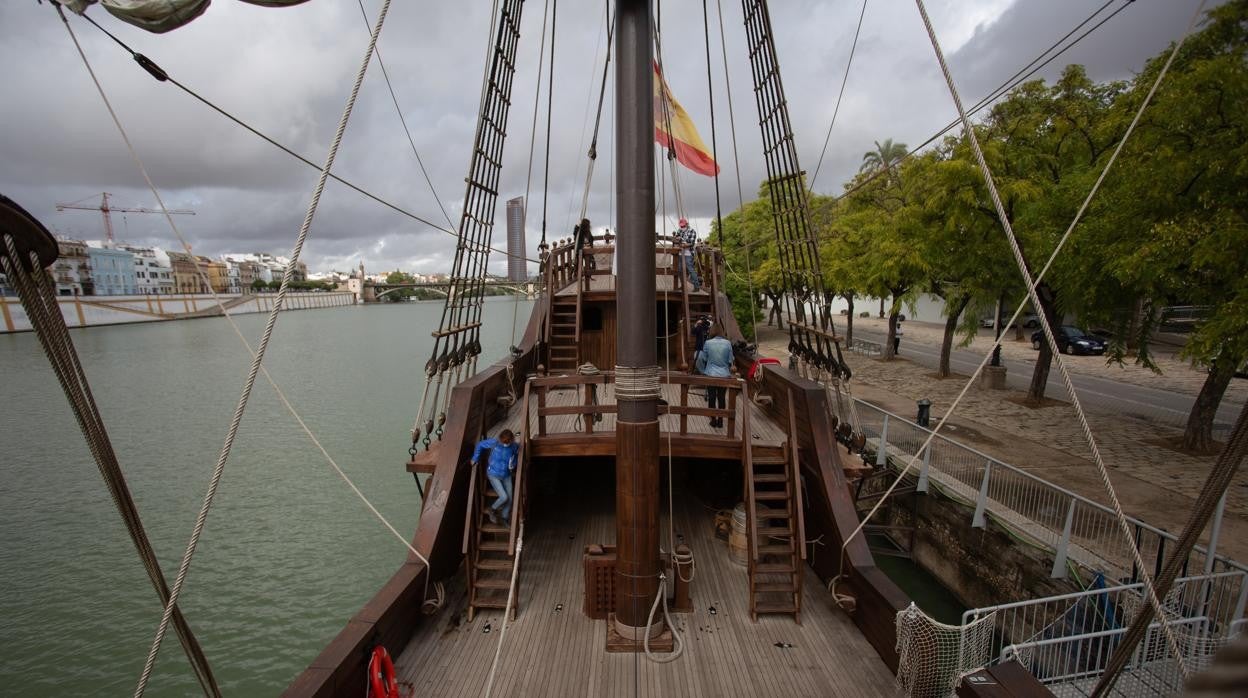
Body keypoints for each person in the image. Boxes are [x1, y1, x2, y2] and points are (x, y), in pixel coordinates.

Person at [470, 429, 520, 526]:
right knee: (504, 497)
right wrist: (475, 458)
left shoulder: (514, 446)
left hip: (506, 475)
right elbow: (480, 444)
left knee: (510, 498)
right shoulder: (494, 442)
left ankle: (504, 517)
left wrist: (513, 464)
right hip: (493, 474)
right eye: (503, 442)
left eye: (507, 442)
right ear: (500, 439)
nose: (505, 444)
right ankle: (491, 509)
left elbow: (517, 456)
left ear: (511, 440)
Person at [696, 327, 733, 428]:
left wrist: (702, 371)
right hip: (724, 374)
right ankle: (720, 420)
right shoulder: (728, 343)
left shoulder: (708, 343)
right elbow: (730, 360)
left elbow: (702, 358)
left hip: (711, 374)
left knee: (711, 397)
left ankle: (713, 420)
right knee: (721, 398)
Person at [676, 218, 701, 291]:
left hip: (688, 254)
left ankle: (696, 286)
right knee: (680, 270)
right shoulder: (679, 230)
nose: (682, 227)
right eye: (681, 226)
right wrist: (677, 239)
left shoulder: (692, 231)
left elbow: (691, 243)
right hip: (681, 253)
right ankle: (683, 285)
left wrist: (683, 245)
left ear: (687, 224)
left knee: (690, 270)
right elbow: (676, 238)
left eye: (683, 226)